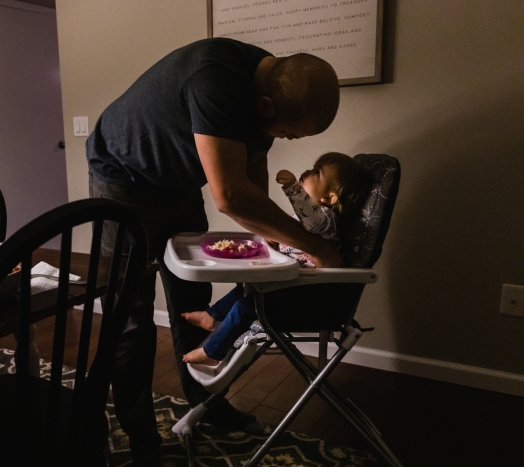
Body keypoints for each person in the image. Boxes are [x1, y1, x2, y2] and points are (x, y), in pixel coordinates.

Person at [86, 37, 342, 466]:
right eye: (288, 132)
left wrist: (271, 242)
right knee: (130, 317)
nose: (287, 139)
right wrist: (316, 247)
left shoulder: (266, 88)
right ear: (265, 106)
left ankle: (207, 405)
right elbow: (231, 196)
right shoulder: (215, 81)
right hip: (123, 180)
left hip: (177, 184)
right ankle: (141, 436)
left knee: (192, 301)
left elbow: (252, 182)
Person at [182, 152, 373, 365]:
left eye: (316, 172)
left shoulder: (326, 219)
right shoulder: (317, 222)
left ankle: (212, 351)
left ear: (330, 198)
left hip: (303, 296)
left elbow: (310, 218)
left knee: (246, 307)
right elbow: (295, 241)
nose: (308, 172)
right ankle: (212, 315)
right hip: (289, 286)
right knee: (243, 289)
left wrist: (293, 188)